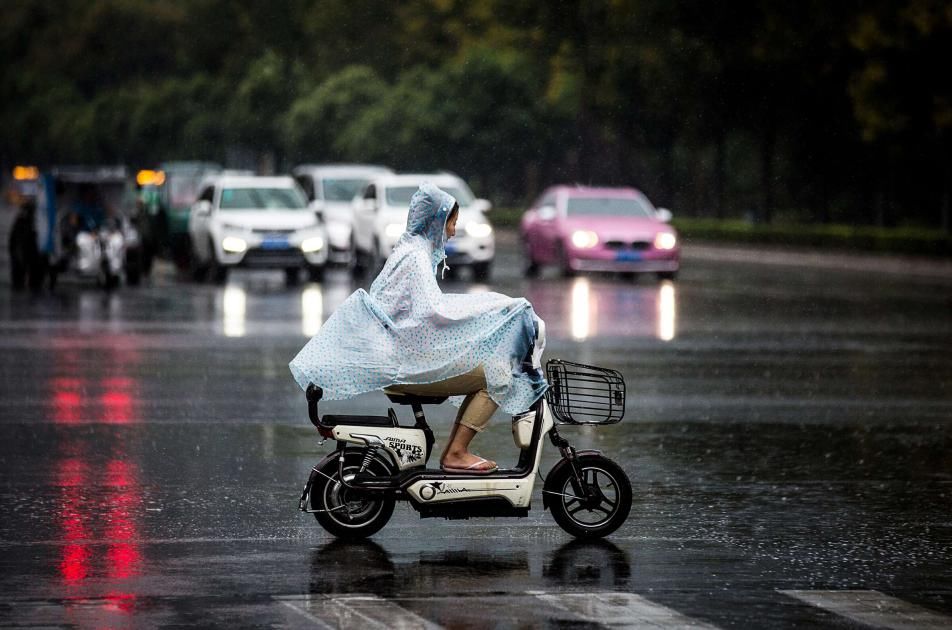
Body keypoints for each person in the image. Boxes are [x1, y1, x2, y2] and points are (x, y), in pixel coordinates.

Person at [289, 182, 547, 474]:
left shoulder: (411, 250)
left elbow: (428, 310)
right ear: (436, 220)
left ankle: (454, 452)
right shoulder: (415, 257)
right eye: (451, 223)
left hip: (403, 359)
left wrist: (489, 307)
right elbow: (433, 314)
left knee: (489, 368)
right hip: (405, 365)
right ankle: (457, 453)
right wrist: (492, 311)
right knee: (498, 375)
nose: (452, 232)